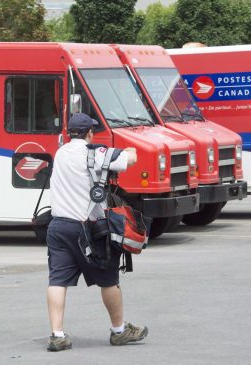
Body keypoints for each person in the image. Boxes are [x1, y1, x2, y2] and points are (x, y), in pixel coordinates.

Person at [46, 113, 147, 351]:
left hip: (59, 226)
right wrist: (131, 149)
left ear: (70, 132)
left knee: (58, 280)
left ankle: (57, 335)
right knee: (108, 280)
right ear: (90, 133)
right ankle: (119, 331)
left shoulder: (60, 153)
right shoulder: (95, 153)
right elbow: (129, 160)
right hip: (90, 229)